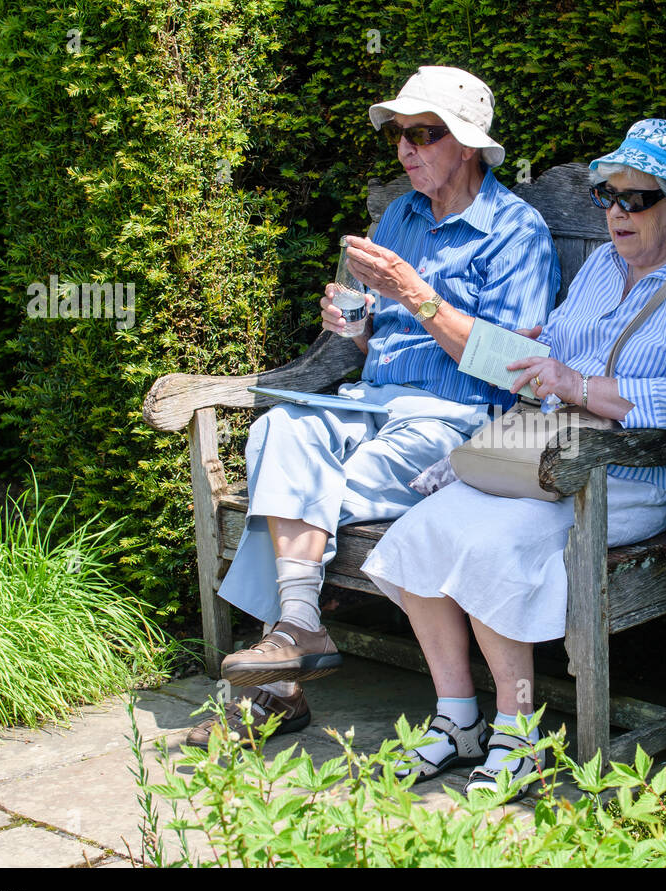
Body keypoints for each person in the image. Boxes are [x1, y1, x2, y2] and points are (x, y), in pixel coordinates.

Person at [360, 119, 666, 794]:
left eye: (638, 198)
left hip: (624, 471)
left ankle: (520, 734)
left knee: (494, 544)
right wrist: (509, 349)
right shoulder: (601, 265)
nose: (616, 213)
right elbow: (546, 349)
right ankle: (458, 719)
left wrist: (578, 385)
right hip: (542, 451)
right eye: (607, 194)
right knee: (422, 528)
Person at [186, 66, 561, 746]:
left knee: (296, 492)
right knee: (280, 431)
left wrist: (415, 293)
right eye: (398, 133)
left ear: (469, 144)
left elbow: (516, 372)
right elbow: (370, 340)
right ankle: (300, 620)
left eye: (423, 133)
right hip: (370, 401)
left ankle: (280, 679)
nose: (404, 148)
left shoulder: (517, 232)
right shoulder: (400, 215)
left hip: (452, 420)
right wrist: (353, 327)